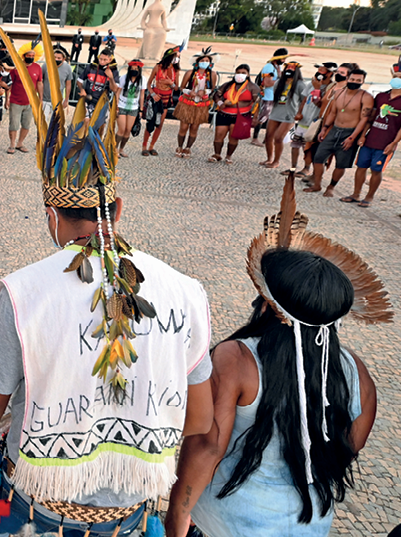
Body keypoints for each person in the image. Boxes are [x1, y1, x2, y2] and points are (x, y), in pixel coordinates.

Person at [0, 18, 213, 537]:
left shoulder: (24, 292)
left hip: (35, 500)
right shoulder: (186, 292)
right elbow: (200, 423)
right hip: (129, 510)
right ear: (116, 205)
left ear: (51, 211)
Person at [165, 173, 385, 537]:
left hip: (226, 523)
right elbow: (343, 452)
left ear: (267, 303)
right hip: (309, 525)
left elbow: (206, 446)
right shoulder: (357, 374)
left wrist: (177, 516)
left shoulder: (237, 359)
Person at [304, 68, 373, 197]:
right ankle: (317, 184)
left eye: (358, 80)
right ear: (348, 79)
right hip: (334, 130)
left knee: (341, 163)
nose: (354, 82)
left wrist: (352, 137)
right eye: (352, 79)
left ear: (363, 81)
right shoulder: (339, 93)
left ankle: (331, 187)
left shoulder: (366, 97)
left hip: (350, 132)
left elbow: (364, 119)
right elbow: (333, 112)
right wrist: (324, 128)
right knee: (318, 157)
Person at [342, 61, 401, 207]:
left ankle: (369, 196)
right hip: (370, 140)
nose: (397, 79)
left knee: (376, 169)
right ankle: (356, 194)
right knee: (361, 166)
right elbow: (370, 118)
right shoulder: (381, 96)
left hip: (385, 143)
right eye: (395, 76)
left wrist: (393, 143)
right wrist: (362, 135)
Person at [260, 61, 308, 168]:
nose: (288, 71)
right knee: (268, 136)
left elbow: (303, 100)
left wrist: (300, 113)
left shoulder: (300, 84)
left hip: (289, 114)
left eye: (291, 69)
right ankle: (269, 158)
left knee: (278, 137)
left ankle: (276, 161)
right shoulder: (279, 83)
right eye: (287, 69)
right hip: (276, 112)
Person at [290, 64, 335, 175]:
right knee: (295, 144)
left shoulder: (331, 88)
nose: (318, 72)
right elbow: (305, 99)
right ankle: (293, 167)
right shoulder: (312, 83)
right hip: (303, 119)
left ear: (329, 73)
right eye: (318, 70)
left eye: (322, 70)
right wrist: (299, 112)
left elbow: (320, 104)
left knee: (308, 147)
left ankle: (306, 168)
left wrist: (317, 89)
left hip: (314, 122)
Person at [210, 64, 260, 164]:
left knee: (233, 138)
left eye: (243, 73)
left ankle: (229, 156)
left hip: (240, 116)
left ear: (248, 74)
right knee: (219, 135)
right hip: (224, 114)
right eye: (238, 73)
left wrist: (255, 116)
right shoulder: (227, 85)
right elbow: (216, 95)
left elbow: (257, 102)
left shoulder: (253, 87)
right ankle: (217, 154)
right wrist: (220, 103)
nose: (240, 75)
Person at [174, 50, 218, 158]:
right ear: (197, 62)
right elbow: (182, 87)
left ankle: (188, 148)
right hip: (188, 102)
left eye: (207, 60)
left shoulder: (212, 74)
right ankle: (180, 146)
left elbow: (212, 89)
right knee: (183, 126)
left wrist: (205, 92)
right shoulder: (190, 73)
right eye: (202, 60)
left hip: (201, 103)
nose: (205, 62)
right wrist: (189, 92)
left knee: (194, 128)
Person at [6, 42, 43, 154]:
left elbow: (39, 83)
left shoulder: (37, 68)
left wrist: (40, 98)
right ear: (24, 55)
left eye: (32, 56)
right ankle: (12, 144)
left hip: (30, 102)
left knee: (26, 124)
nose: (30, 58)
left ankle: (20, 143)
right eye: (28, 55)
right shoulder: (16, 68)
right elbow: (10, 84)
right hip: (16, 101)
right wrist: (7, 98)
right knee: (14, 124)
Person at [141, 47, 179, 156]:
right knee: (150, 121)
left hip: (166, 99)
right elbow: (148, 84)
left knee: (160, 124)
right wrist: (152, 94)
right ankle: (144, 145)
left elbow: (176, 88)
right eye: (175, 57)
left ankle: (152, 146)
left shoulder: (175, 70)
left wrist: (170, 83)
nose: (176, 59)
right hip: (155, 97)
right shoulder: (158, 67)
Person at [77, 46, 119, 133]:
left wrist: (111, 78)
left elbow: (115, 89)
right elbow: (79, 81)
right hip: (89, 100)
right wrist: (82, 89)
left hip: (103, 102)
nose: (102, 62)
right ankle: (84, 141)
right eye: (101, 59)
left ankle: (96, 143)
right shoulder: (91, 67)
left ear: (110, 60)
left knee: (101, 126)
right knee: (86, 121)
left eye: (105, 60)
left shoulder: (114, 71)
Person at [251, 48, 288, 146]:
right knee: (262, 118)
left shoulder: (276, 67)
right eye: (283, 58)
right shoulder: (269, 67)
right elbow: (267, 83)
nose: (284, 61)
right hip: (267, 96)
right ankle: (255, 138)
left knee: (269, 118)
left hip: (273, 96)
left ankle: (267, 138)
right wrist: (281, 82)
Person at [115, 59, 144, 157]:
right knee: (121, 129)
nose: (134, 70)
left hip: (133, 108)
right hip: (122, 106)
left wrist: (141, 109)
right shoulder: (123, 78)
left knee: (128, 130)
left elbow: (142, 95)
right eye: (132, 68)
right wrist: (116, 106)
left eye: (136, 68)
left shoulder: (142, 80)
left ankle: (121, 149)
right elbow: (118, 92)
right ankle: (115, 148)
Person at [40, 46, 74, 125]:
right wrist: (40, 98)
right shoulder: (45, 66)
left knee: (55, 124)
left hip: (58, 100)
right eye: (55, 57)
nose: (56, 59)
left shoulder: (67, 68)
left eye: (59, 58)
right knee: (42, 123)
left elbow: (68, 84)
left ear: (63, 59)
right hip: (45, 99)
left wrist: (66, 100)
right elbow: (40, 82)